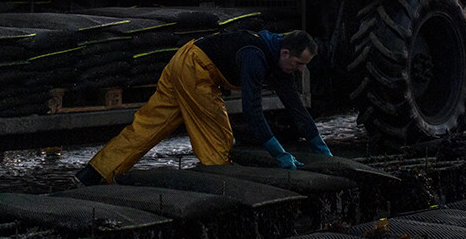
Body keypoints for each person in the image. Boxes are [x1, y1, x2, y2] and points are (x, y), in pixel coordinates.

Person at [78, 28, 331, 183]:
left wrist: (321, 148)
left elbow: (295, 107)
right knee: (218, 137)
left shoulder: (279, 59)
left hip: (182, 59)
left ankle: (95, 174)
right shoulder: (255, 57)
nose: (301, 69)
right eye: (299, 63)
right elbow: (252, 112)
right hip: (195, 69)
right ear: (285, 53)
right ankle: (221, 182)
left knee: (148, 126)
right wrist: (279, 154)